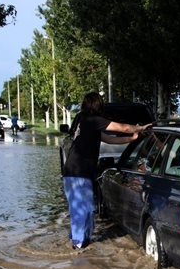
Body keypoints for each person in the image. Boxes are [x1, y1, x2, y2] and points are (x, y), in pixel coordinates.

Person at [62, 92, 151, 250]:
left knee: (82, 209)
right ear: (97, 105)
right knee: (84, 209)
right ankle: (79, 245)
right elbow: (121, 127)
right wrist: (140, 127)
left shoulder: (85, 121)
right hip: (79, 172)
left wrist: (131, 139)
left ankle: (78, 242)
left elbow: (108, 139)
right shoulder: (93, 120)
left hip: (72, 172)